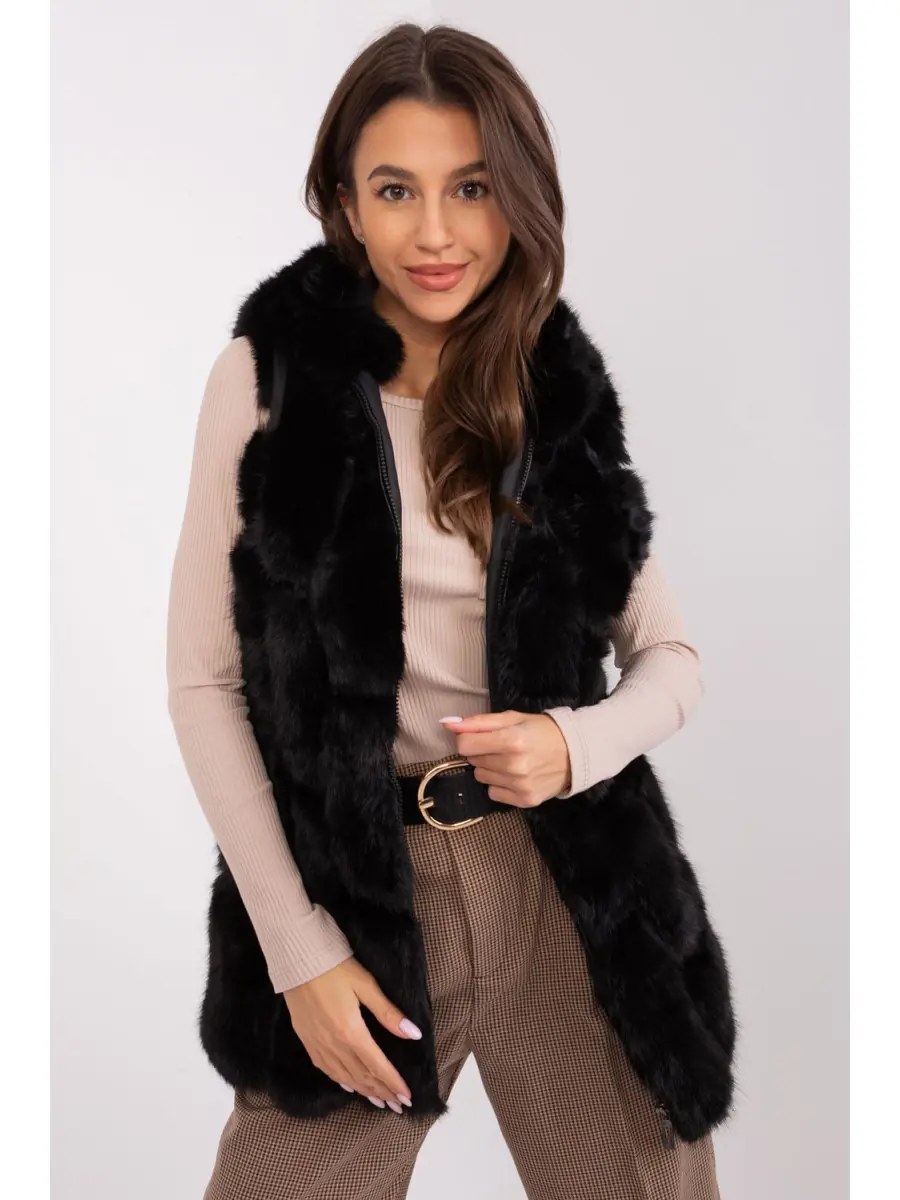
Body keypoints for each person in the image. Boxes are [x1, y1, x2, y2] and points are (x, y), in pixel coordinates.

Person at [166, 21, 736, 1200]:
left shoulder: (553, 391)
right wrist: (298, 951)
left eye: (471, 187)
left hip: (567, 881)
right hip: (361, 889)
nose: (435, 232)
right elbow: (203, 682)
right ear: (344, 201)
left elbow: (671, 657)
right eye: (396, 189)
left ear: (517, 196)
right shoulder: (268, 382)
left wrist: (572, 743)